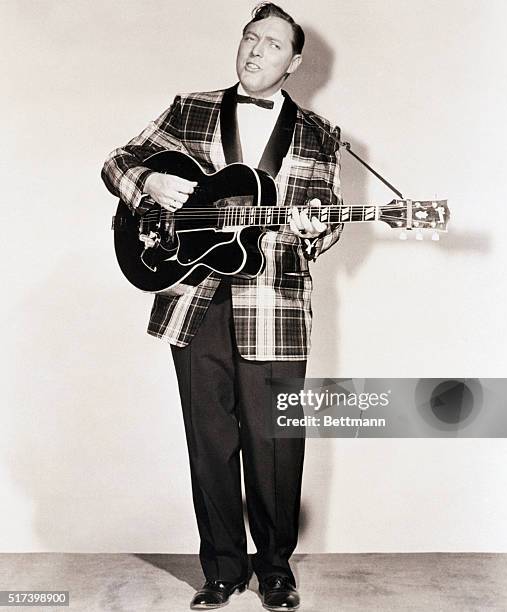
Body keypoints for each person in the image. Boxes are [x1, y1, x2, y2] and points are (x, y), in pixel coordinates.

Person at [102, 3, 343, 610]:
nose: (256, 49)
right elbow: (118, 162)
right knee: (210, 441)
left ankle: (276, 570)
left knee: (275, 444)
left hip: (277, 306)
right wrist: (149, 185)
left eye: (272, 44)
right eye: (250, 37)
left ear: (294, 63)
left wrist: (310, 230)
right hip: (194, 300)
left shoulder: (319, 134)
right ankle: (222, 570)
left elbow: (327, 225)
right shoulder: (190, 109)